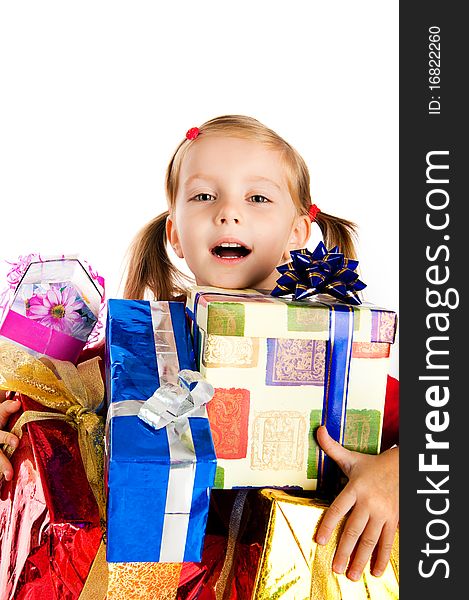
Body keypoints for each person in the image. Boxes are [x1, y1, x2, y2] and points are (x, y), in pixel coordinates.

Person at [0, 114, 399, 583]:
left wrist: (396, 476)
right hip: (153, 582)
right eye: (204, 196)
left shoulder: (337, 365)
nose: (228, 212)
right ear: (175, 233)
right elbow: (43, 415)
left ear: (298, 231)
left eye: (258, 197)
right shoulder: (135, 350)